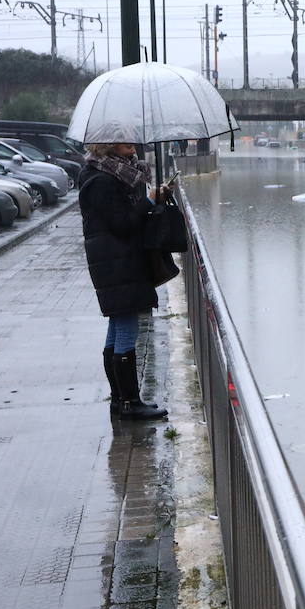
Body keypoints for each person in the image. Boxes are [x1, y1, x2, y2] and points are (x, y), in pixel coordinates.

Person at [79, 143, 170, 420]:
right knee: (127, 328)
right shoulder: (103, 181)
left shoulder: (109, 175)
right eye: (122, 137)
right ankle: (130, 402)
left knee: (118, 327)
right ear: (107, 145)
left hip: (116, 261)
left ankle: (121, 400)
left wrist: (153, 198)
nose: (130, 141)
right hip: (116, 262)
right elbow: (122, 223)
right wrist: (149, 201)